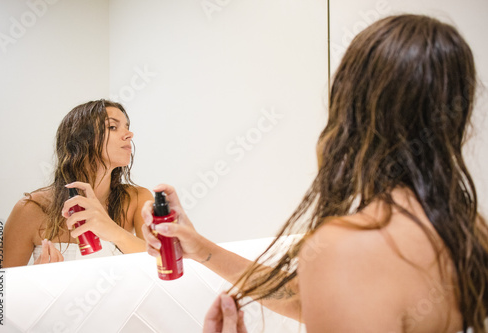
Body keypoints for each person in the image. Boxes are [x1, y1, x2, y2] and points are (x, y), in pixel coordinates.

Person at [141, 14, 488, 333]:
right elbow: (306, 300)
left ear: (352, 108)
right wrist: (200, 248)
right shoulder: (471, 230)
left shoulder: (346, 248)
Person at [0, 99, 153, 268]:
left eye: (127, 127)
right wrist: (38, 280)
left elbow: (162, 264)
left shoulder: (138, 199)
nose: (129, 134)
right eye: (112, 127)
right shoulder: (30, 209)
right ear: (81, 140)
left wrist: (113, 231)